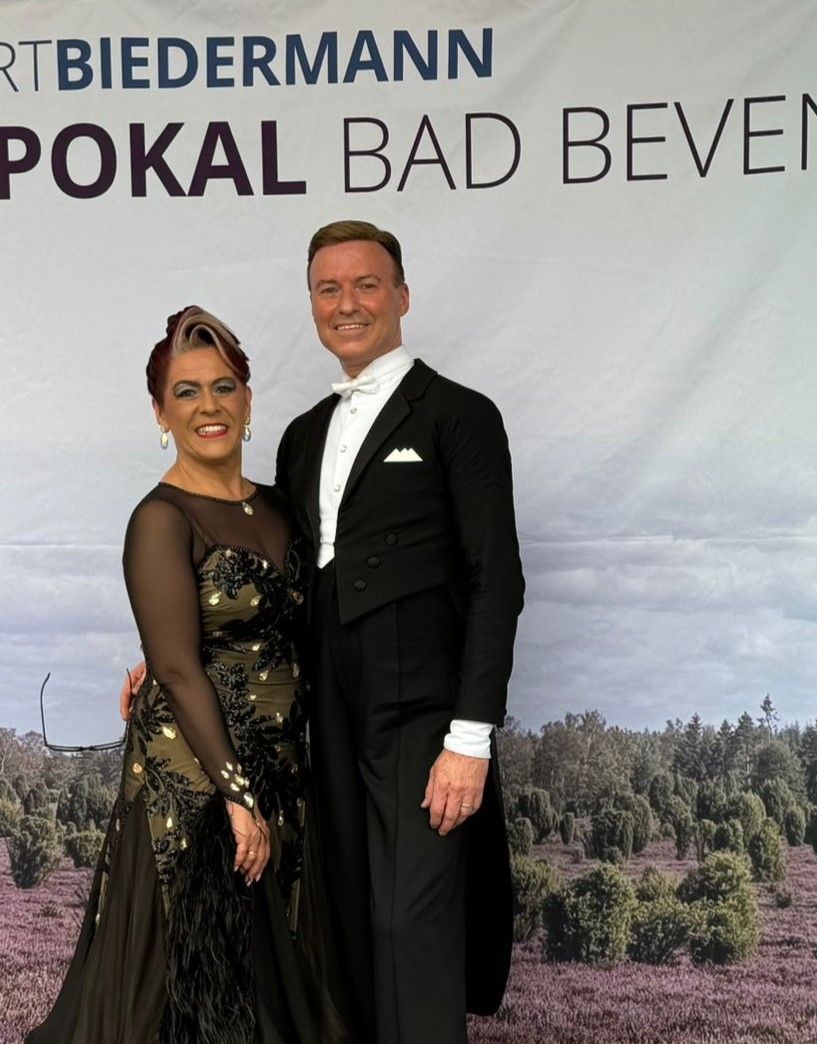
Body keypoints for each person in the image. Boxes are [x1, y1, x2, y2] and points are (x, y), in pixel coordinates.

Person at [30, 306, 343, 1044]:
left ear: (248, 400)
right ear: (160, 412)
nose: (210, 406)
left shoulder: (280, 506)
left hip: (282, 768)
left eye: (224, 387)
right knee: (193, 990)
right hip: (196, 784)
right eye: (187, 391)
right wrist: (236, 796)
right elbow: (175, 664)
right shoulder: (160, 518)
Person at [274, 220, 523, 1044]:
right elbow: (274, 584)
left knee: (409, 923)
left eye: (366, 284)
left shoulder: (460, 415)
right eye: (328, 288)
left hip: (423, 711)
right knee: (348, 922)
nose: (347, 303)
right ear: (313, 304)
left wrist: (470, 738)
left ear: (402, 297)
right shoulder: (301, 436)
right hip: (328, 712)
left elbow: (497, 580)